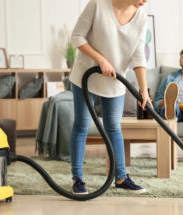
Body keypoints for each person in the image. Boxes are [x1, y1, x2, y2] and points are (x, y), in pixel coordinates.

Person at [69, 0, 151, 195]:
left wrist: (144, 91)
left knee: (113, 127)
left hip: (115, 79)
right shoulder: (98, 4)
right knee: (81, 125)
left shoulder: (141, 17)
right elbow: (77, 37)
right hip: (85, 75)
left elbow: (139, 56)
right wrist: (101, 59)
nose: (145, 1)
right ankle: (77, 179)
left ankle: (121, 177)